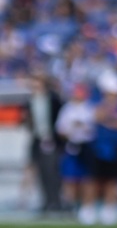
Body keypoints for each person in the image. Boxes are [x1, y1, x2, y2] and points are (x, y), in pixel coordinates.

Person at [86, 71, 117, 226]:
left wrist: (110, 120)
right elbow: (97, 117)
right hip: (98, 147)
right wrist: (111, 115)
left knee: (113, 180)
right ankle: (89, 209)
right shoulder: (97, 101)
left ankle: (109, 210)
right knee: (93, 180)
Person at [24, 72, 65, 215]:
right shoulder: (30, 100)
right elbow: (29, 121)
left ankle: (56, 201)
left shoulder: (53, 99)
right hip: (38, 139)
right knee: (41, 172)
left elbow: (60, 119)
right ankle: (47, 201)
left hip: (52, 139)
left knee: (53, 171)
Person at [55, 83, 96, 222]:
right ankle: (70, 206)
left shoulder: (90, 108)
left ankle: (87, 208)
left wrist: (82, 127)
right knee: (70, 178)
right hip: (71, 145)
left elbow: (94, 128)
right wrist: (71, 129)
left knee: (88, 178)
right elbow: (61, 130)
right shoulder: (67, 109)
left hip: (87, 145)